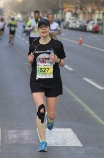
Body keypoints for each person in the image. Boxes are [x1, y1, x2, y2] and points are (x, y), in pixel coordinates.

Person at [28, 18, 66, 152]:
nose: (43, 29)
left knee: (51, 115)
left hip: (53, 82)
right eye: (41, 27)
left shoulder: (57, 44)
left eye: (46, 27)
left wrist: (57, 60)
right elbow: (30, 63)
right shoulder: (33, 44)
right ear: (38, 30)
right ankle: (43, 141)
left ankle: (50, 120)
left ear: (49, 29)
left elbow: (63, 63)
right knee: (41, 110)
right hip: (37, 81)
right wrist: (30, 60)